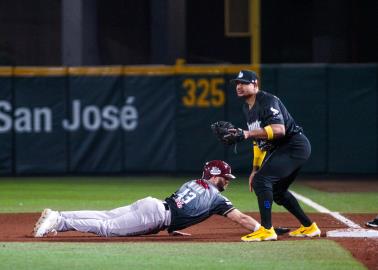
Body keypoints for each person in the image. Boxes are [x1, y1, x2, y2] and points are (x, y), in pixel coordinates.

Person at [33, 160, 262, 239]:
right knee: (107, 227)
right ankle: (57, 221)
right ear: (214, 176)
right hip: (157, 215)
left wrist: (173, 228)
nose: (228, 181)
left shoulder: (193, 182)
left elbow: (182, 204)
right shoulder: (217, 199)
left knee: (106, 216)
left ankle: (59, 217)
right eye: (225, 176)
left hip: (152, 205)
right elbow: (240, 218)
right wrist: (262, 229)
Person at [230, 70, 321, 242]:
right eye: (237, 83)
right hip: (282, 149)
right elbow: (258, 140)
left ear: (255, 84)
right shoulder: (247, 107)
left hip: (294, 146)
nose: (239, 86)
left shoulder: (267, 100)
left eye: (243, 82)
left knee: (262, 182)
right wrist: (255, 169)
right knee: (278, 191)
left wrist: (247, 133)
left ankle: (266, 229)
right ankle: (309, 227)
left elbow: (279, 130)